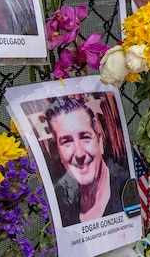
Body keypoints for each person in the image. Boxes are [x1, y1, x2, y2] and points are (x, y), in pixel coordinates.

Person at [45, 97, 130, 227]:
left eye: (85, 137)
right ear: (59, 153)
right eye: (67, 142)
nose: (79, 153)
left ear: (100, 142)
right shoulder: (59, 204)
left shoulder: (127, 186)